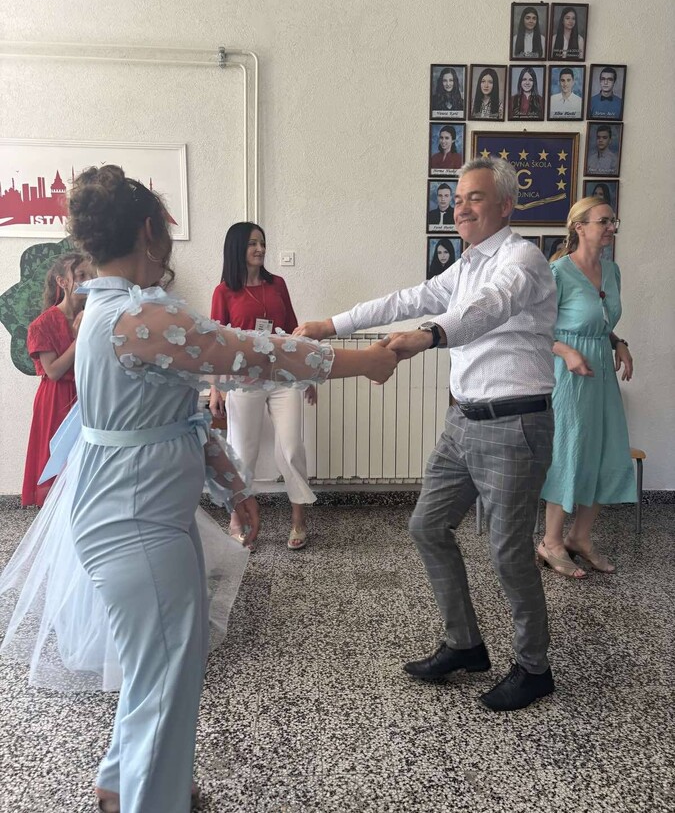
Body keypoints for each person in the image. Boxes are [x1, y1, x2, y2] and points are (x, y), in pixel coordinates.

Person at [0, 165, 397, 813]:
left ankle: (119, 783)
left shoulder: (110, 311)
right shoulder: (137, 315)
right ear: (148, 231)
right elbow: (255, 354)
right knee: (166, 672)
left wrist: (235, 487)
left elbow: (176, 415)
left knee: (160, 667)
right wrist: (363, 360)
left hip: (144, 513)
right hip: (134, 520)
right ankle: (150, 799)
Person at [295, 157, 559, 712]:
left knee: (508, 551)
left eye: (474, 198)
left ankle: (535, 669)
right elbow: (406, 299)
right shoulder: (465, 266)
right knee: (427, 525)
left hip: (514, 423)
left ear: (505, 205)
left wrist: (429, 336)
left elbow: (489, 309)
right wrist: (332, 325)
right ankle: (465, 645)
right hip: (463, 421)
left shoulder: (523, 259)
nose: (461, 207)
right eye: (457, 199)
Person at [538, 197, 635, 578]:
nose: (611, 227)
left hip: (602, 374)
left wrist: (617, 342)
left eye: (613, 221)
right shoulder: (558, 272)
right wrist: (567, 352)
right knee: (569, 450)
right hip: (570, 375)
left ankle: (580, 537)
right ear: (579, 227)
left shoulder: (612, 271)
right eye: (603, 221)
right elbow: (536, 329)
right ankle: (551, 541)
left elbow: (599, 321)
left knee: (605, 449)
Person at [209, 222, 316, 551]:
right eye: (252, 243)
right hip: (243, 382)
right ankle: (237, 520)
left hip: (282, 377)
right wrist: (216, 388)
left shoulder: (277, 284)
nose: (260, 249)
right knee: (243, 453)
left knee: (292, 448)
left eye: (262, 243)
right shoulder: (224, 291)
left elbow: (294, 332)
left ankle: (298, 519)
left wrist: (307, 375)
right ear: (237, 248)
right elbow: (215, 344)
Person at [21, 253, 92, 507]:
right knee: (58, 458)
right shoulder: (43, 324)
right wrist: (80, 338)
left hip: (88, 393)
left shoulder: (95, 315)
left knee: (86, 461)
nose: (88, 280)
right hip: (57, 398)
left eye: (91, 275)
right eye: (81, 275)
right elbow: (53, 371)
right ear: (62, 282)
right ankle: (54, 518)